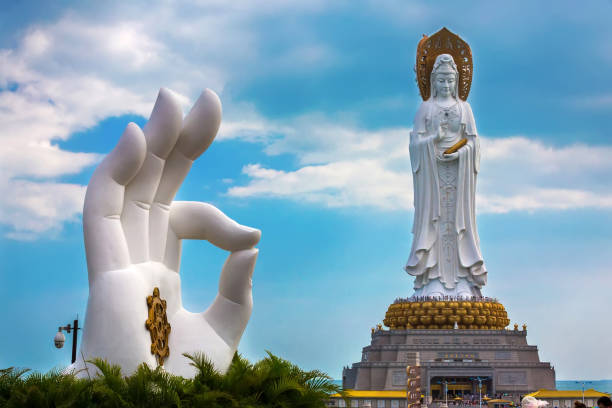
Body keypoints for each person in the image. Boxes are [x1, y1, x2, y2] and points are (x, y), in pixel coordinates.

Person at [406, 53, 487, 298]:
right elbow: (415, 144)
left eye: (450, 81)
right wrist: (436, 139)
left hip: (459, 175)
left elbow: (474, 144)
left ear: (457, 81)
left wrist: (461, 153)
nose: (446, 86)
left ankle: (462, 281)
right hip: (433, 178)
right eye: (441, 81)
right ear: (433, 81)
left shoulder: (465, 109)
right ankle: (432, 280)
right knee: (436, 221)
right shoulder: (426, 108)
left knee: (457, 224)